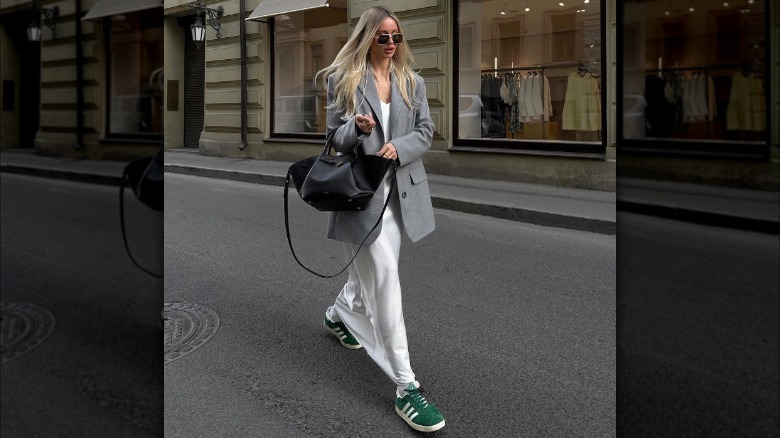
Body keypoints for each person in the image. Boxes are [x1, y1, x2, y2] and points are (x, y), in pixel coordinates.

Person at [314, 5, 444, 433]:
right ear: (368, 38)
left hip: (400, 195)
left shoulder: (413, 83)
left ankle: (338, 315)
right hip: (361, 196)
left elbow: (425, 132)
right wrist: (360, 128)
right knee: (385, 278)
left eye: (396, 37)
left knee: (370, 274)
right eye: (383, 36)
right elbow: (334, 138)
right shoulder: (345, 80)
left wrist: (400, 145)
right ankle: (406, 386)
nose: (391, 44)